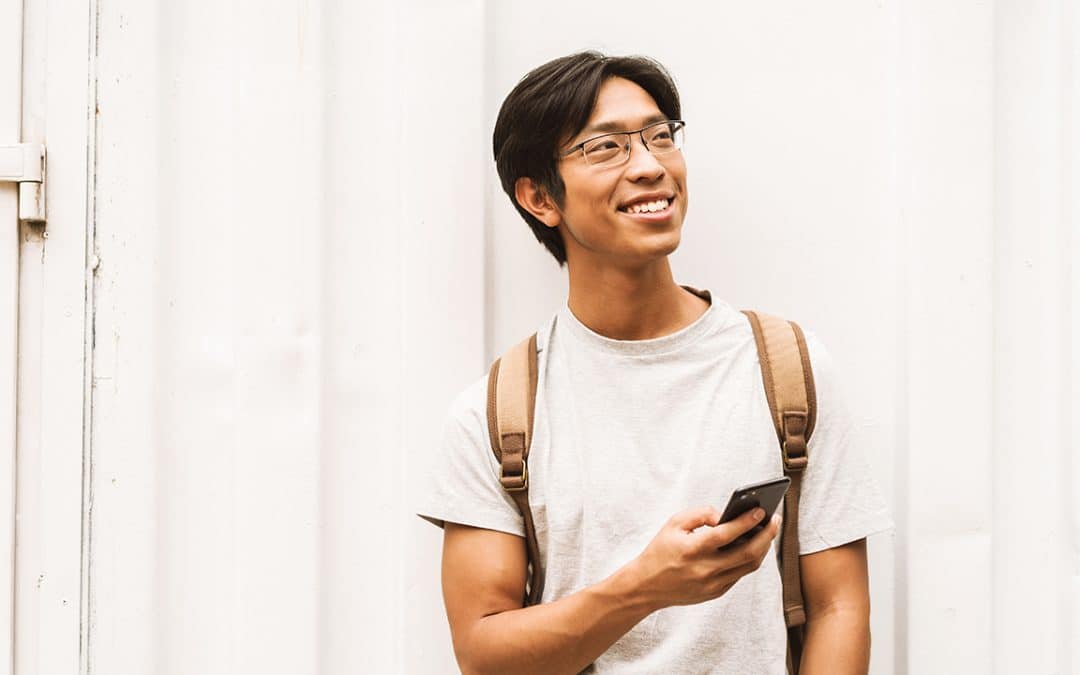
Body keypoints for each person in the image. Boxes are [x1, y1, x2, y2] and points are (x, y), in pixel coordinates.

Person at [416, 51, 893, 674]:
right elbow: (485, 656)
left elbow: (838, 607)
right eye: (605, 147)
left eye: (661, 136)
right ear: (539, 197)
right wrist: (645, 587)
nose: (649, 166)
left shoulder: (788, 369)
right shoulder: (493, 415)